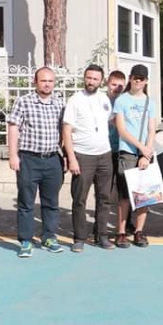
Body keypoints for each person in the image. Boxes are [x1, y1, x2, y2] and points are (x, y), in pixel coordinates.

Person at [8, 67, 66, 257]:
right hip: (29, 160)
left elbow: (64, 132)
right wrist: (13, 155)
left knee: (51, 202)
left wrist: (65, 156)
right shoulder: (23, 102)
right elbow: (13, 128)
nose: (47, 84)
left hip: (52, 160)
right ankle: (26, 241)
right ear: (35, 82)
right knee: (26, 202)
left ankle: (49, 237)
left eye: (50, 81)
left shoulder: (59, 104)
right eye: (43, 81)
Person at [61, 64, 115, 252]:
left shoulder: (105, 99)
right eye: (89, 78)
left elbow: (111, 122)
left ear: (101, 81)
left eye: (95, 79)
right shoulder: (75, 100)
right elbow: (66, 131)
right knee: (80, 199)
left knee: (104, 198)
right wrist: (72, 158)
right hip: (83, 156)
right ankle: (79, 238)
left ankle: (102, 235)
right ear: (84, 78)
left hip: (104, 155)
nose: (91, 81)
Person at [112, 65, 157, 249]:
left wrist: (147, 151)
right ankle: (121, 231)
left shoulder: (150, 102)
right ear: (130, 78)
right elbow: (121, 129)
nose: (138, 81)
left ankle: (139, 231)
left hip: (145, 152)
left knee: (144, 194)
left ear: (146, 81)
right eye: (135, 77)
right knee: (125, 194)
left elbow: (152, 128)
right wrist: (140, 147)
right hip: (128, 151)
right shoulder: (122, 100)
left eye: (142, 78)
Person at [106, 70, 132, 235]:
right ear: (107, 84)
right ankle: (100, 225)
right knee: (104, 190)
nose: (116, 88)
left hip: (124, 150)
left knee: (125, 189)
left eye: (120, 86)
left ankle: (127, 223)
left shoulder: (126, 102)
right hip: (105, 150)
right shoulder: (102, 102)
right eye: (113, 84)